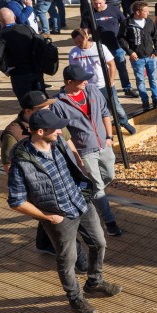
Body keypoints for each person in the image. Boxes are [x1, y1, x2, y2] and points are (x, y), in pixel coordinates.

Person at [7, 108, 121, 313]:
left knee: (99, 243)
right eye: (55, 129)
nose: (60, 132)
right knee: (67, 259)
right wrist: (48, 217)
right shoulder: (21, 162)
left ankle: (94, 282)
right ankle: (75, 298)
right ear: (40, 132)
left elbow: (74, 163)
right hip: (58, 216)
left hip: (81, 202)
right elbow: (16, 202)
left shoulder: (56, 143)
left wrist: (84, 186)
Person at [1, 90, 88, 269]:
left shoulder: (51, 119)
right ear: (28, 111)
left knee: (50, 220)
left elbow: (67, 140)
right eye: (43, 107)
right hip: (39, 189)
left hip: (63, 181)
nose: (49, 109)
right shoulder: (13, 133)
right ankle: (82, 263)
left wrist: (79, 163)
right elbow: (10, 167)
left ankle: (43, 244)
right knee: (60, 223)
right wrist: (26, 195)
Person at [51, 64, 124, 237]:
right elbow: (63, 136)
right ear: (69, 81)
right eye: (81, 79)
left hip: (104, 145)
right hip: (85, 152)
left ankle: (87, 194)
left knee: (109, 176)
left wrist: (109, 137)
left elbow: (105, 112)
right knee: (98, 187)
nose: (86, 81)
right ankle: (110, 222)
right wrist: (77, 157)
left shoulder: (92, 90)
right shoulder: (58, 103)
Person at [69, 28, 135, 135]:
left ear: (86, 37)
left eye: (80, 42)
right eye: (76, 43)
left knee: (115, 107)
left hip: (103, 85)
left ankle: (124, 122)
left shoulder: (100, 48)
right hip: (87, 88)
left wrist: (110, 81)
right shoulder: (73, 53)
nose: (78, 44)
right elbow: (73, 71)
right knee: (95, 110)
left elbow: (111, 64)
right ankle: (103, 131)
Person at [0, 7, 46, 100]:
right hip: (36, 71)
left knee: (26, 102)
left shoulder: (1, 36)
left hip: (19, 74)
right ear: (14, 17)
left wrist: (5, 70)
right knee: (42, 98)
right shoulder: (27, 28)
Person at [90, 0, 136, 99]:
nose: (97, 6)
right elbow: (85, 30)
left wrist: (125, 38)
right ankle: (105, 89)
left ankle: (127, 88)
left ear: (104, 1)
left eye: (99, 3)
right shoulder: (89, 13)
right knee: (101, 70)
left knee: (121, 68)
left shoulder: (114, 9)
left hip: (117, 46)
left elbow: (125, 23)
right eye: (95, 4)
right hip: (100, 48)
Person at [118, 1, 157, 111]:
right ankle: (145, 101)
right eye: (145, 11)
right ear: (138, 12)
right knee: (140, 80)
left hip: (150, 56)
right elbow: (121, 38)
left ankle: (156, 98)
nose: (148, 12)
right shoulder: (127, 23)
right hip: (137, 58)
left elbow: (156, 36)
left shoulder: (149, 22)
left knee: (153, 79)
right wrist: (130, 52)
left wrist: (156, 51)